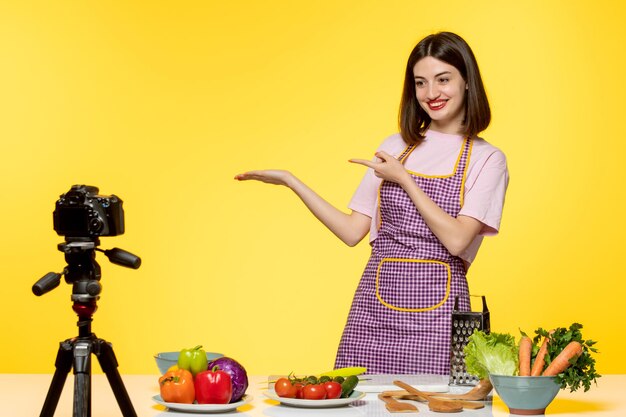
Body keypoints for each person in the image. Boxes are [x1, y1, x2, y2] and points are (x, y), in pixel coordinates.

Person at [235, 32, 508, 374]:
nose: (431, 94)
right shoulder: (395, 146)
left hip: (440, 320)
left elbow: (456, 240)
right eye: (420, 83)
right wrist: (291, 181)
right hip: (374, 312)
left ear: (467, 81)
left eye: (443, 79)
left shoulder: (488, 159)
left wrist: (404, 179)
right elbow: (352, 232)